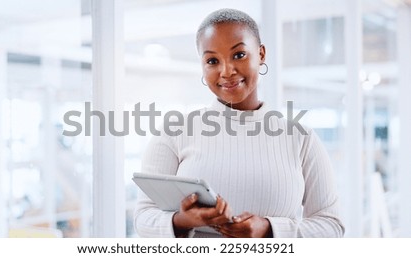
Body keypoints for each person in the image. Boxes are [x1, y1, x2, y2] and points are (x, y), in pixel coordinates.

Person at [134, 8, 344, 238]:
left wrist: (268, 230)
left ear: (261, 54)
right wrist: (182, 222)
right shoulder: (174, 132)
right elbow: (143, 218)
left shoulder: (300, 138)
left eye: (239, 55)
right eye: (212, 60)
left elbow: (331, 226)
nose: (227, 72)